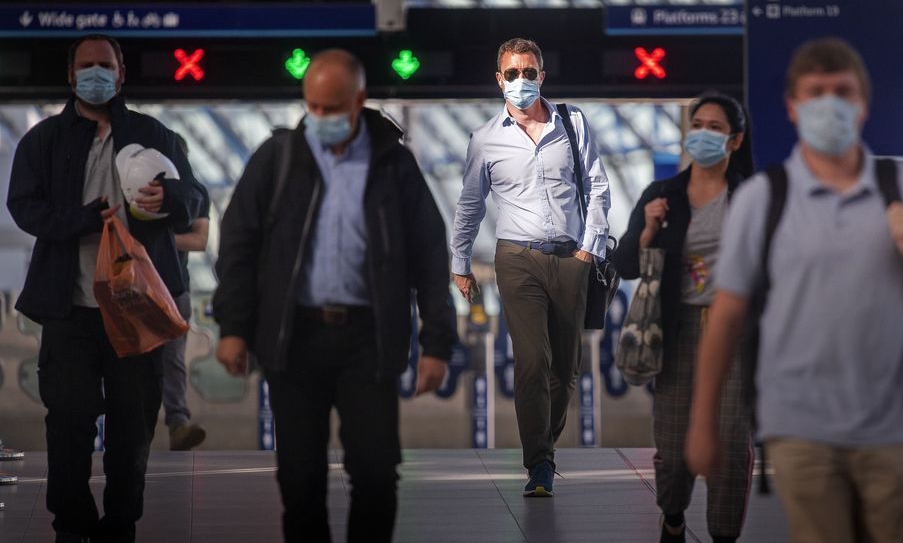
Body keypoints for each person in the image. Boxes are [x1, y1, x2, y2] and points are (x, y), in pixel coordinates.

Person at [686, 38, 903, 543]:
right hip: (799, 425)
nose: (829, 103)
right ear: (794, 108)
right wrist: (703, 422)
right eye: (816, 92)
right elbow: (726, 315)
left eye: (842, 91)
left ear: (862, 104)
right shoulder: (761, 200)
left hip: (893, 424)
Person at [213, 49, 456, 543]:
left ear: (358, 100)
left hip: (368, 341)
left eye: (331, 108)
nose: (319, 119)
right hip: (293, 338)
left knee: (375, 475)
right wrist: (233, 328)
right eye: (313, 107)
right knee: (300, 479)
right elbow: (239, 243)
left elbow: (430, 254)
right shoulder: (277, 159)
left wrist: (436, 343)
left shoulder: (392, 165)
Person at [7, 33, 204, 543]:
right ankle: (71, 522)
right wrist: (77, 220)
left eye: (106, 65)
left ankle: (121, 522)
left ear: (121, 75)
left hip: (136, 309)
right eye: (86, 66)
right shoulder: (44, 140)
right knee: (68, 419)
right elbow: (22, 205)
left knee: (132, 425)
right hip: (69, 307)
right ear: (71, 76)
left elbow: (196, 196)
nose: (97, 74)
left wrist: (172, 195)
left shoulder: (154, 132)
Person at [451, 37, 610, 497]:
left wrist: (587, 251)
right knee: (531, 360)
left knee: (566, 368)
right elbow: (469, 204)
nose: (522, 80)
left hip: (571, 258)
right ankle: (538, 463)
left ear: (543, 76)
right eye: (513, 73)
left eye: (530, 72)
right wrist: (460, 261)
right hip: (516, 258)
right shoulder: (485, 139)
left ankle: (545, 446)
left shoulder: (573, 124)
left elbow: (598, 188)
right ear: (499, 79)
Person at [613, 93, 753, 542]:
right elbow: (625, 264)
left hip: (735, 332)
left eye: (716, 127)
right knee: (674, 449)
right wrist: (650, 231)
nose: (704, 134)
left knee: (731, 445)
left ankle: (724, 535)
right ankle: (672, 517)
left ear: (734, 141)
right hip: (676, 331)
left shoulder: (752, 197)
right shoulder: (663, 196)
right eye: (698, 124)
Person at [162, 134, 210, 451]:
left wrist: (156, 241)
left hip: (174, 286)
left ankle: (178, 422)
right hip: (131, 287)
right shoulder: (132, 189)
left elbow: (200, 240)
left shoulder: (194, 194)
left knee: (172, 359)